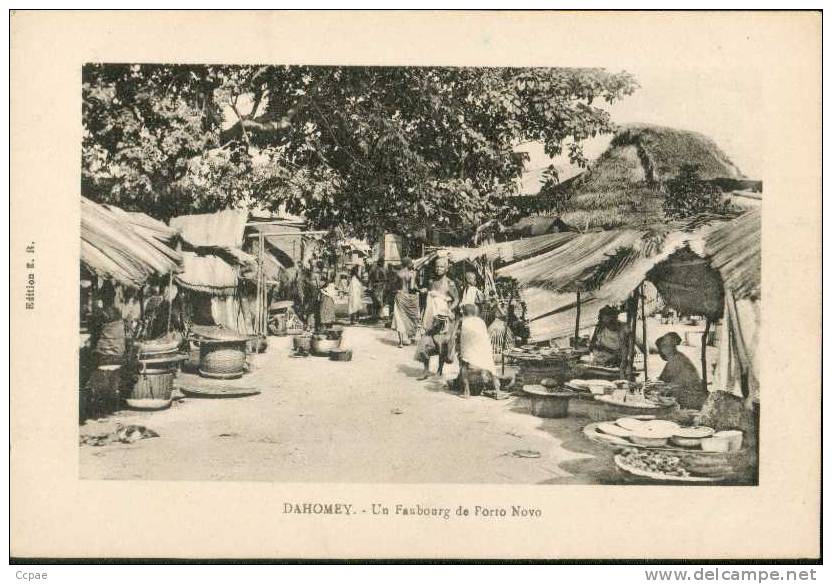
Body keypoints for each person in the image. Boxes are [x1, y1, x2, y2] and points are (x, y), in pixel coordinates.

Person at [457, 304, 502, 398]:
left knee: (463, 365)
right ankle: (498, 392)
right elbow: (484, 336)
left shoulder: (463, 322)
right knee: (491, 368)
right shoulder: (480, 321)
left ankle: (467, 392)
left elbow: (462, 338)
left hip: (469, 352)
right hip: (483, 350)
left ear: (464, 312)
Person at [656, 332, 707, 409]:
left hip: (691, 398)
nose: (661, 351)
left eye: (664, 346)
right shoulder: (676, 358)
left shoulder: (676, 360)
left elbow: (663, 382)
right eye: (662, 347)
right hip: (688, 395)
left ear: (672, 347)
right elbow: (663, 380)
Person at [421, 256, 460, 331]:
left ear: (446, 269)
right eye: (437, 267)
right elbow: (430, 293)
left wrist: (449, 309)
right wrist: (425, 290)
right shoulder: (432, 282)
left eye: (441, 267)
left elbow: (456, 299)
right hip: (431, 314)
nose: (438, 269)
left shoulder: (449, 283)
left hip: (443, 315)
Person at [391, 258, 421, 347]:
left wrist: (397, 291)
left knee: (399, 318)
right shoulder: (412, 274)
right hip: (408, 297)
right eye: (411, 263)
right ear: (408, 264)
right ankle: (410, 337)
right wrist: (420, 289)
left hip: (399, 296)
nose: (413, 264)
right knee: (410, 318)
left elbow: (393, 286)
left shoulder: (398, 273)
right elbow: (412, 287)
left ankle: (400, 342)